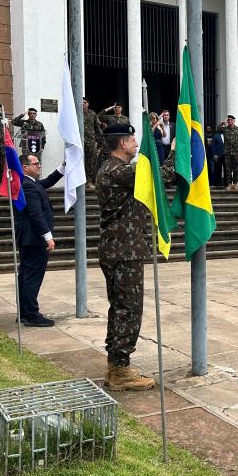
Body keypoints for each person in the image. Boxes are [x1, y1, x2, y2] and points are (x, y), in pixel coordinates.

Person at [97, 123, 156, 391]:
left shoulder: (112, 169)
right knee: (129, 310)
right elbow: (157, 175)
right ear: (122, 143)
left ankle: (115, 368)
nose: (136, 143)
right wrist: (176, 152)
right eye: (132, 139)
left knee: (120, 308)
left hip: (119, 248)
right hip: (124, 250)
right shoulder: (117, 171)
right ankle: (121, 371)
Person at [15, 154, 64, 327]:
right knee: (32, 278)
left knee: (26, 276)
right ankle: (31, 314)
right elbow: (35, 214)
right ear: (25, 167)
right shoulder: (27, 185)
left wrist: (63, 166)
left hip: (30, 238)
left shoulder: (31, 183)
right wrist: (48, 236)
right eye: (35, 164)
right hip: (34, 239)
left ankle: (24, 312)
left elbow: (48, 182)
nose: (39, 166)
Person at [82, 98, 103, 185]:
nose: (83, 104)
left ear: (88, 104)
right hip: (79, 141)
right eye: (81, 102)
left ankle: (89, 181)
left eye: (85, 102)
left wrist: (97, 142)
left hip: (90, 141)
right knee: (78, 161)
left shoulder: (92, 114)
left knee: (90, 162)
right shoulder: (75, 113)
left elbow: (97, 129)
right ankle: (79, 181)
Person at [218, 115, 238, 190]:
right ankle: (229, 184)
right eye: (229, 120)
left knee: (236, 169)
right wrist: (223, 122)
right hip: (227, 152)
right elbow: (218, 128)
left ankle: (235, 184)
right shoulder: (225, 129)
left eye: (231, 120)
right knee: (228, 169)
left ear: (234, 121)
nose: (230, 121)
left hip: (236, 152)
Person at [212, 121, 226, 188]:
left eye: (223, 127)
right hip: (218, 155)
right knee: (218, 170)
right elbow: (213, 146)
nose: (222, 128)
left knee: (226, 170)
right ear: (219, 128)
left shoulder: (227, 135)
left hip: (226, 155)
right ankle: (218, 184)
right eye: (221, 127)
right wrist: (214, 154)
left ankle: (226, 184)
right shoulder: (215, 136)